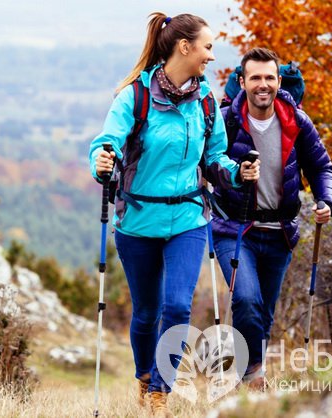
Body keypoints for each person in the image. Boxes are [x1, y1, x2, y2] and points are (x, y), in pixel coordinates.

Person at [89, 12, 252, 417]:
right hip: (138, 220)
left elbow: (215, 158)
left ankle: (161, 391)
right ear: (185, 47)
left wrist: (237, 172)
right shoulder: (135, 96)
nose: (212, 56)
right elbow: (106, 142)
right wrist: (101, 162)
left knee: (178, 307)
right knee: (145, 312)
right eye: (208, 47)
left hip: (189, 219)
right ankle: (144, 377)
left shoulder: (207, 100)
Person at [210, 47, 332, 389]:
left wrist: (328, 200)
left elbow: (321, 166)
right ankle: (253, 374)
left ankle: (247, 375)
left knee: (263, 312)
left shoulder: (296, 121)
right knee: (246, 299)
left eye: (269, 77)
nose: (262, 84)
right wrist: (233, 174)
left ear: (279, 81)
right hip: (234, 228)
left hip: (280, 230)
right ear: (242, 82)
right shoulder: (226, 121)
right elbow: (208, 166)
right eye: (255, 78)